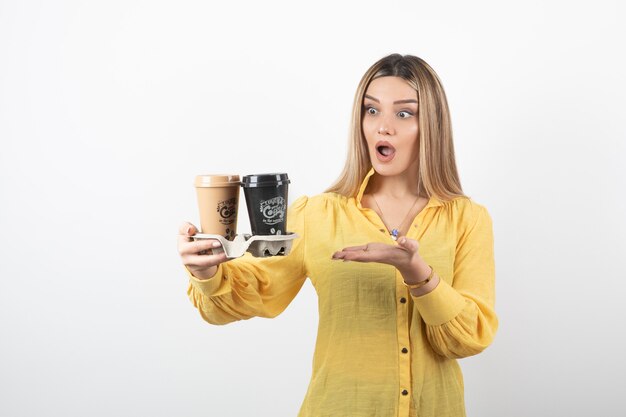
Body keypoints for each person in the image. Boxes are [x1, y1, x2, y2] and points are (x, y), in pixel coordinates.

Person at [177, 53, 498, 417]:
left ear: (433, 126)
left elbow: (469, 337)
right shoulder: (316, 215)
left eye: (404, 113)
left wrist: (420, 276)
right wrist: (207, 272)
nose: (383, 127)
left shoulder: (468, 219)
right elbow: (249, 293)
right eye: (371, 110)